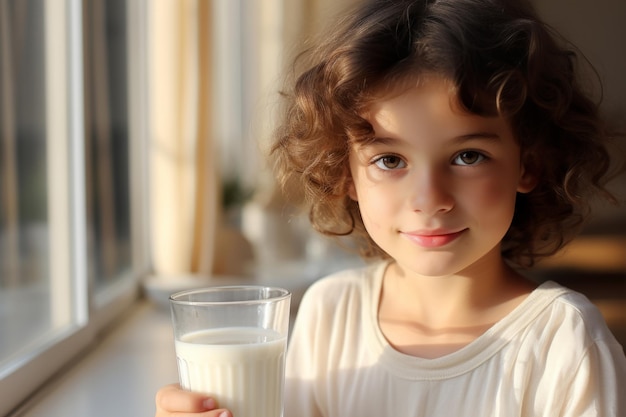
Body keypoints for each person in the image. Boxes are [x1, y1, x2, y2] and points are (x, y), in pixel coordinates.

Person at [155, 0, 626, 416]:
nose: (429, 199)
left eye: (468, 156)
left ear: (530, 163)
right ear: (346, 173)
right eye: (390, 160)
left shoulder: (564, 342)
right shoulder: (330, 315)